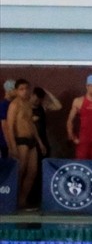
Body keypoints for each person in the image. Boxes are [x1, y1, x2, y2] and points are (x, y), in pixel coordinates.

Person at [5, 79, 39, 208]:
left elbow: (31, 124)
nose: (25, 91)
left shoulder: (28, 104)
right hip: (20, 141)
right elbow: (9, 126)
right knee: (20, 171)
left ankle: (22, 200)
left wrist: (39, 142)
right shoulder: (14, 105)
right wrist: (12, 147)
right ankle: (12, 199)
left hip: (32, 141)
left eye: (26, 88)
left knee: (32, 172)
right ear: (16, 91)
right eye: (21, 89)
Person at [0, 79, 13, 159]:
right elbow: (4, 126)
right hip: (4, 142)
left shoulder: (11, 104)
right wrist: (10, 145)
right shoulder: (3, 105)